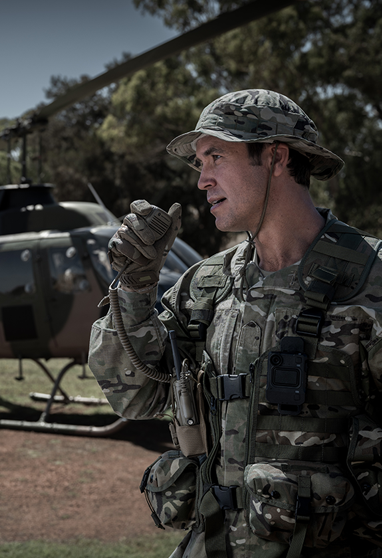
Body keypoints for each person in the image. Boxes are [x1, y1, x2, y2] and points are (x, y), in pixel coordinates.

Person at [88, 89, 382, 558]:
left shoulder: (371, 279)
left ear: (276, 157)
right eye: (200, 163)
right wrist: (134, 288)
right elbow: (136, 396)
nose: (202, 179)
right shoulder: (206, 284)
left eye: (216, 157)